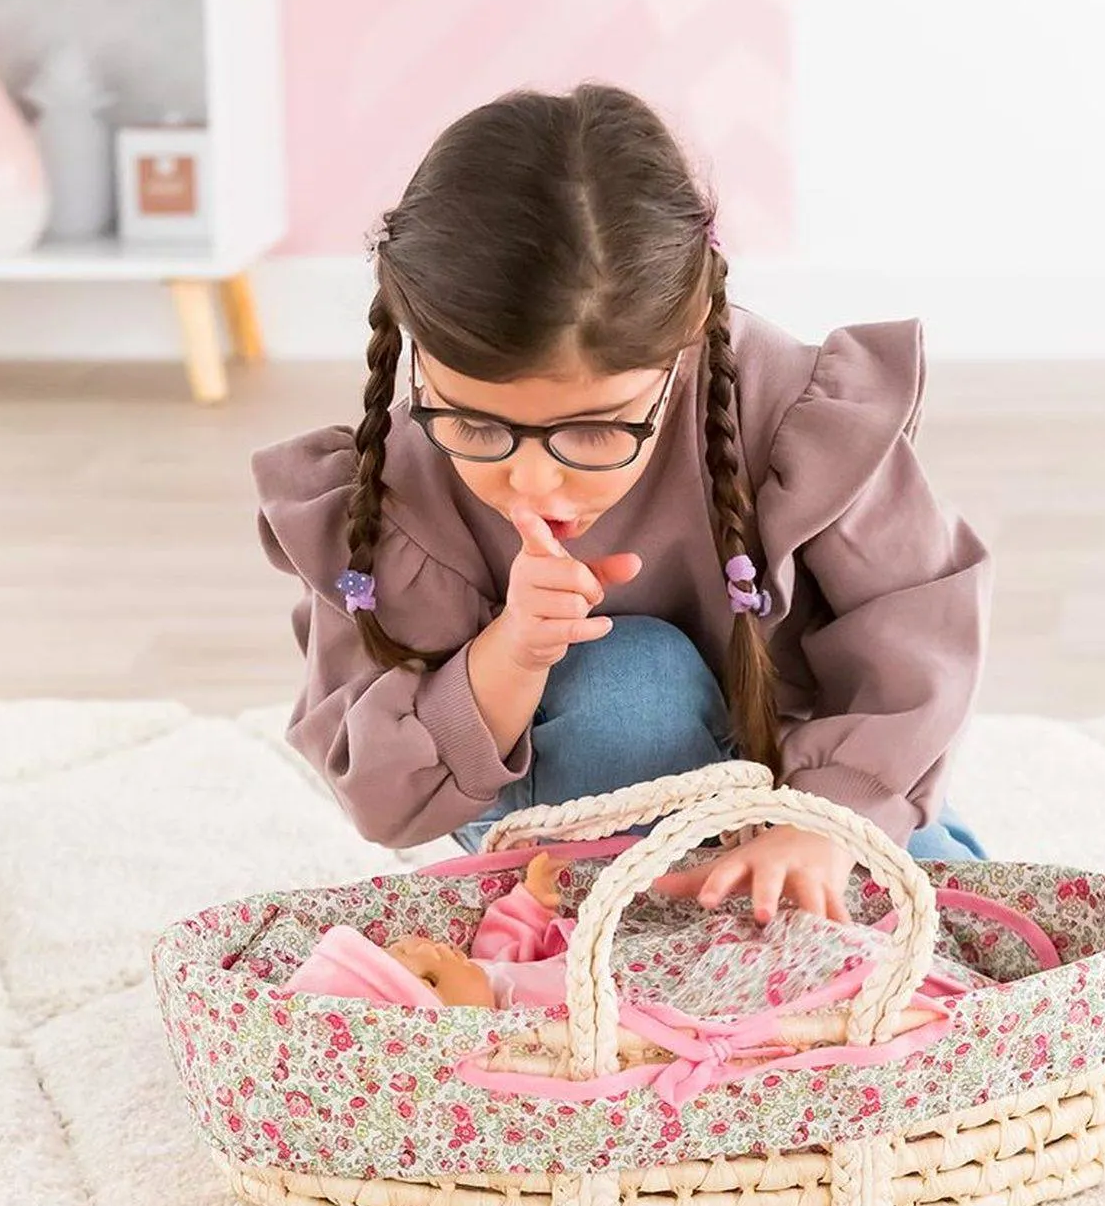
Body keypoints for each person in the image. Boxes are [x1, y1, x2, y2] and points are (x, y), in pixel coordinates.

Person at [253, 83, 991, 924]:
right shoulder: (396, 493)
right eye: (472, 421)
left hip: (794, 784)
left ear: (691, 328)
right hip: (585, 820)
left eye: (596, 431)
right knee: (629, 677)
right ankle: (642, 940)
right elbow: (381, 794)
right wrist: (514, 652)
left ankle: (777, 895)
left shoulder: (795, 415)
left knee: (962, 924)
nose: (532, 483)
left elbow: (919, 632)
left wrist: (829, 818)